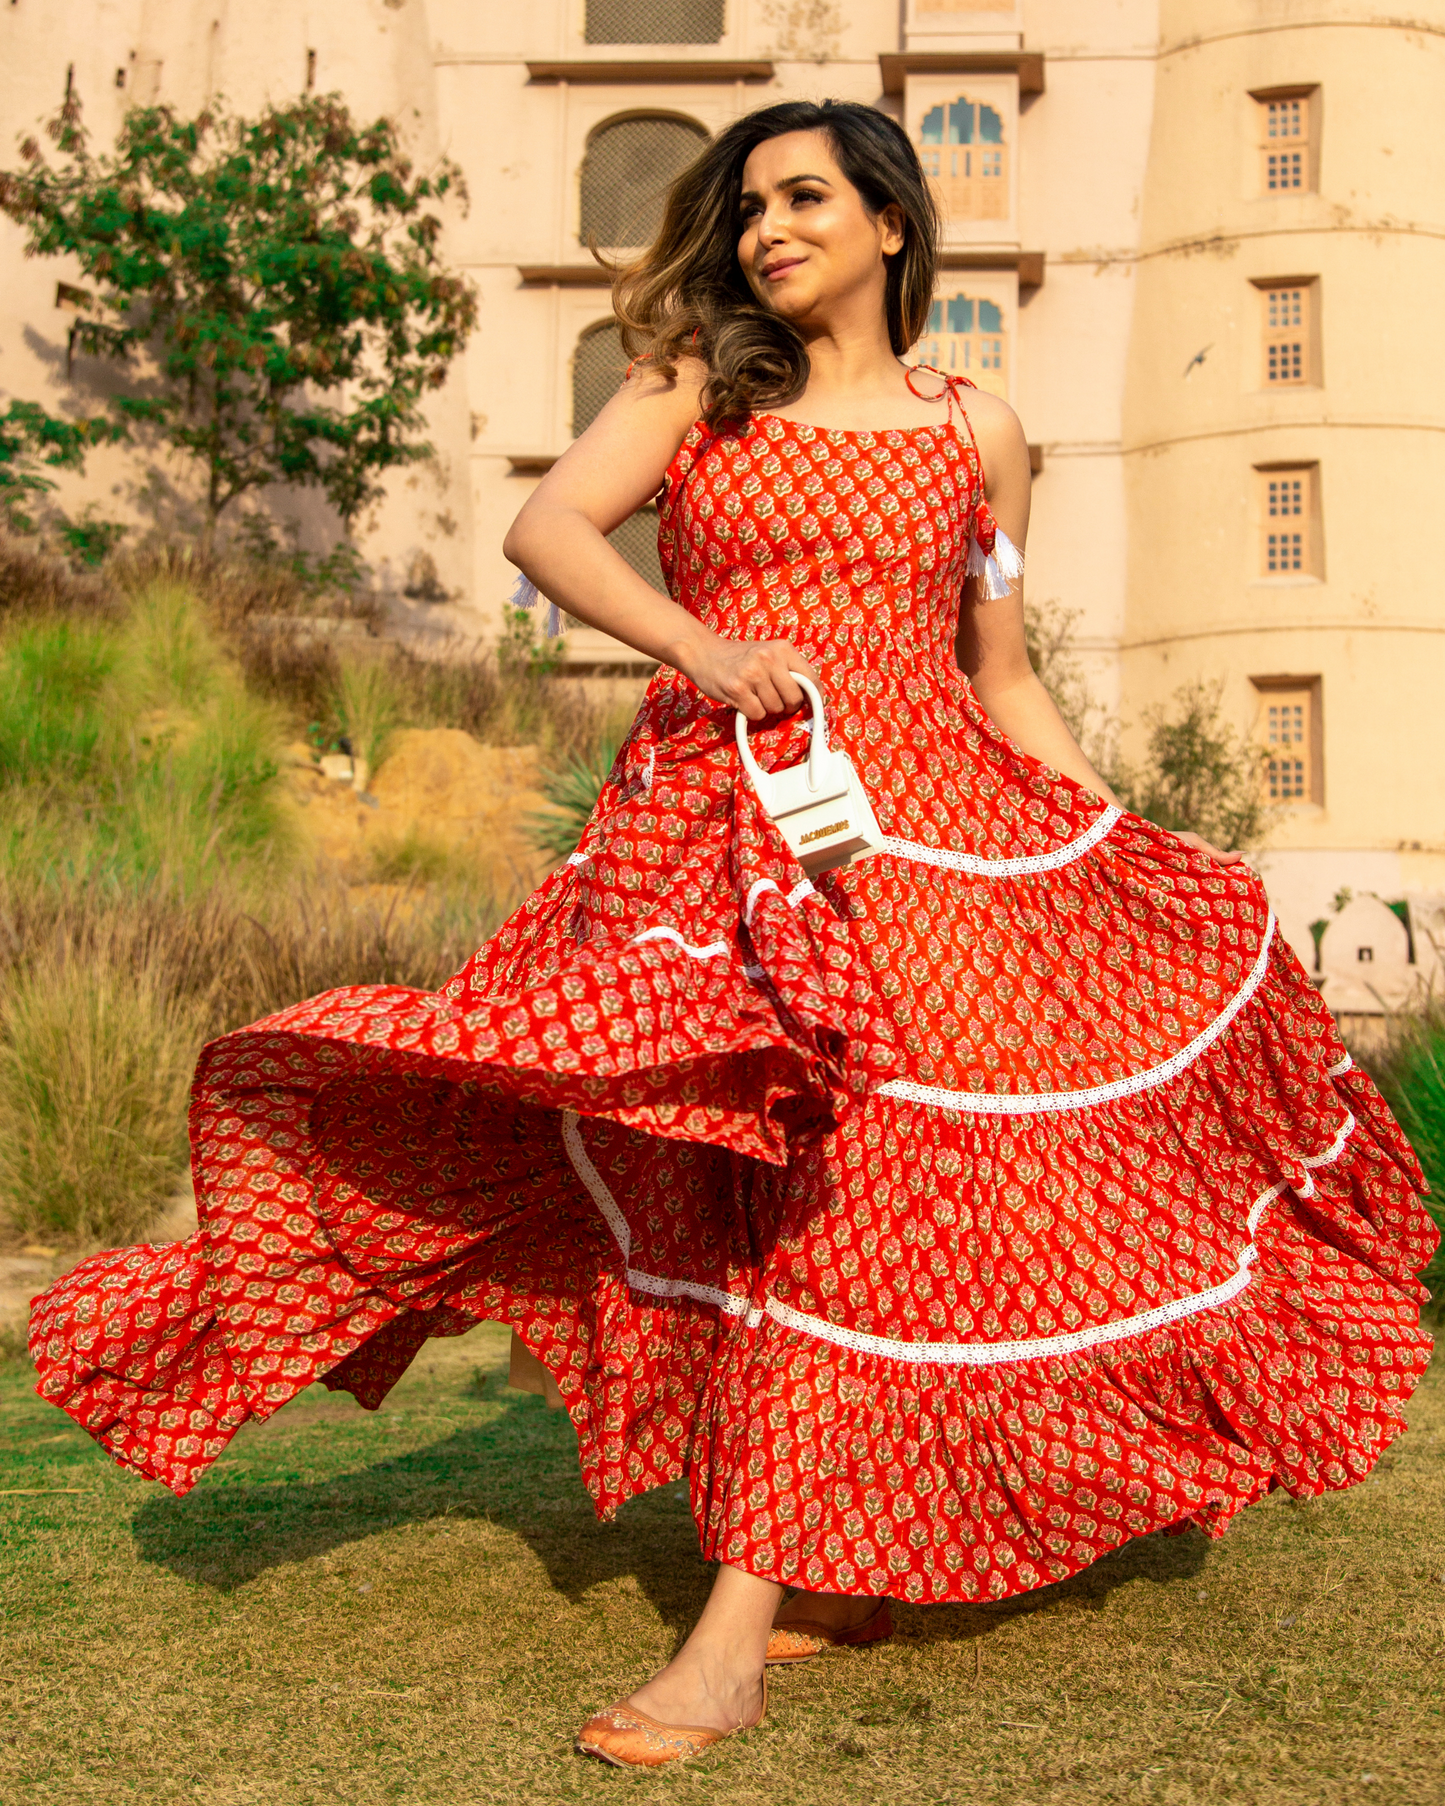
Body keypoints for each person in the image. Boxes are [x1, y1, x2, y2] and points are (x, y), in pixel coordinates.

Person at [30, 100, 1436, 1771]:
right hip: (724, 822)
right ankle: (781, 1576)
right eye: (751, 204)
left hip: (939, 841)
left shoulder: (977, 427)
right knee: (738, 1175)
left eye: (806, 198)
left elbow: (1004, 673)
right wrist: (703, 647)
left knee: (884, 1200)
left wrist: (1114, 834)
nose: (769, 228)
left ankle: (750, 1621)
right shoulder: (703, 383)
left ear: (896, 223)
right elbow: (547, 530)